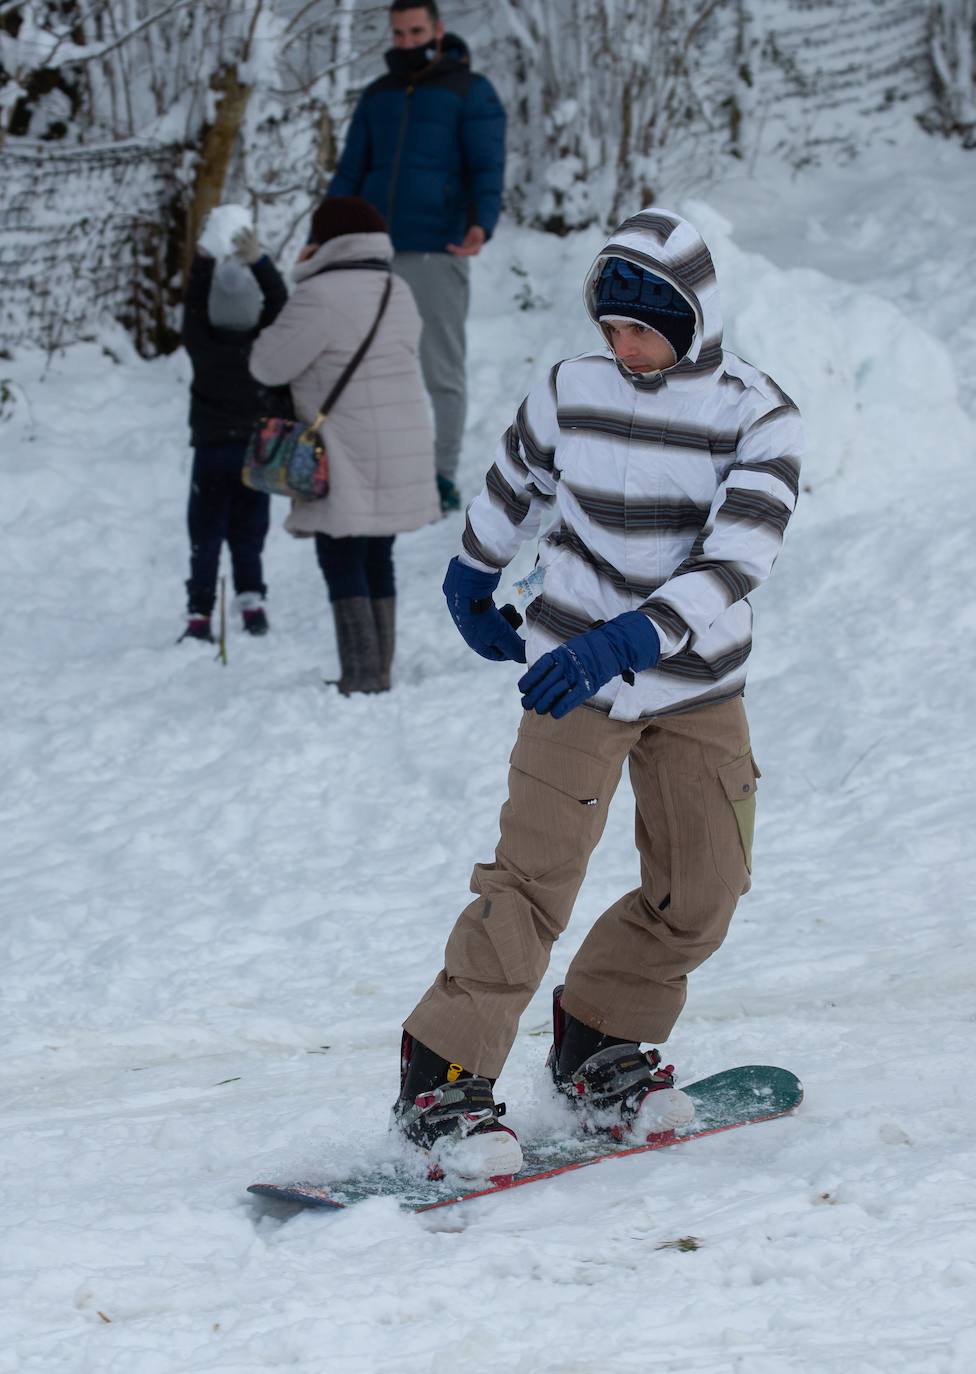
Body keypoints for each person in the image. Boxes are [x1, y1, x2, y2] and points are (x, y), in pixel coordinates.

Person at [392, 208, 804, 1180]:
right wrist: (471, 574)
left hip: (692, 681)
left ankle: (599, 1037)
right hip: (570, 673)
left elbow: (737, 555)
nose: (622, 347)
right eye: (609, 325)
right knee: (530, 881)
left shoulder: (755, 414)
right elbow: (513, 484)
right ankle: (441, 1081)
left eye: (641, 327)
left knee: (704, 884)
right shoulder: (572, 390)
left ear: (693, 318)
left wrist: (631, 636)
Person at [249, 196, 439, 694]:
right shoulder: (396, 289)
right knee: (377, 552)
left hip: (347, 446)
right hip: (401, 440)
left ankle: (361, 675)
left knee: (340, 555)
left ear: (324, 240)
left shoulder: (319, 295)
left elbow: (267, 364)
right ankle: (379, 670)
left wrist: (298, 273)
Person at [327, 0, 506, 515]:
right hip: (372, 250)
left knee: (439, 369)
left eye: (416, 32)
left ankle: (441, 475)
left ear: (437, 30)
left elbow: (487, 167)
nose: (406, 42)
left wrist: (479, 224)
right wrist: (326, 232)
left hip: (437, 247)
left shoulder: (470, 91)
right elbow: (350, 171)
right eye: (399, 34)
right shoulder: (377, 95)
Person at [181, 221, 291, 642]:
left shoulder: (202, 344)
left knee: (205, 535)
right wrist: (260, 262)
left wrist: (205, 258)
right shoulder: (263, 344)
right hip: (256, 453)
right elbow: (279, 302)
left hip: (210, 452)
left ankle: (199, 614)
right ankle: (251, 602)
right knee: (249, 532)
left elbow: (192, 306)